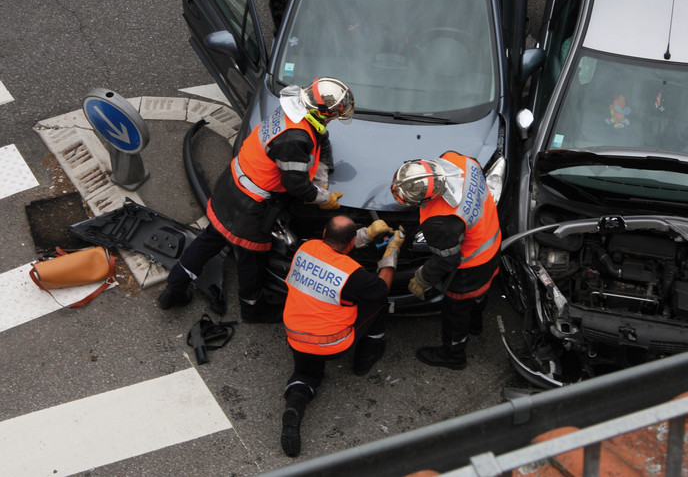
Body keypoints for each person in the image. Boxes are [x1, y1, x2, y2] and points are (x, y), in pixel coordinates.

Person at [157, 77, 354, 323]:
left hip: (232, 186)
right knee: (252, 261)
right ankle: (253, 310)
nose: (334, 119)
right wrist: (324, 197)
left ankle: (173, 289)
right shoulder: (296, 138)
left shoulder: (292, 110)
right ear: (324, 113)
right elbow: (297, 185)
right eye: (334, 115)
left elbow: (320, 139)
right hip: (249, 207)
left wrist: (323, 173)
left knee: (209, 239)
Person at [280, 215, 404, 457]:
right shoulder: (353, 274)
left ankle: (295, 406)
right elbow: (380, 289)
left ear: (324, 234)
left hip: (296, 337)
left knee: (306, 375)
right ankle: (364, 359)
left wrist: (366, 234)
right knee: (378, 304)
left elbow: (335, 249)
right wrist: (391, 253)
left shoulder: (306, 247)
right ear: (350, 243)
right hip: (333, 343)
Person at [390, 151, 501, 370]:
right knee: (478, 297)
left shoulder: (441, 222)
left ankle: (453, 355)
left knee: (455, 311)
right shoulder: (458, 160)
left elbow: (446, 261)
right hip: (491, 240)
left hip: (471, 266)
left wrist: (422, 279)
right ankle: (475, 325)